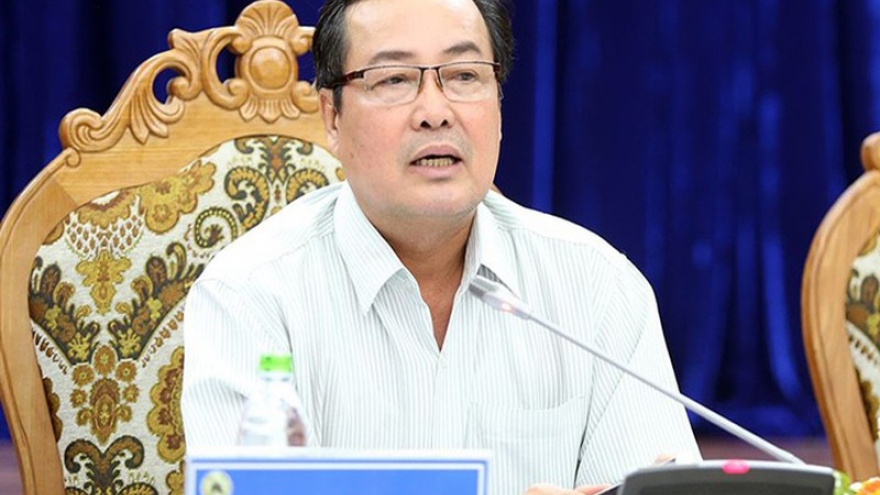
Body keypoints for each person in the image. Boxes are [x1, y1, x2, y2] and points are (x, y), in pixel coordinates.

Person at [181, 0, 701, 493]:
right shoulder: (251, 295)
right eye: (393, 79)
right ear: (332, 117)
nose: (435, 111)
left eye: (464, 76)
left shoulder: (597, 288)